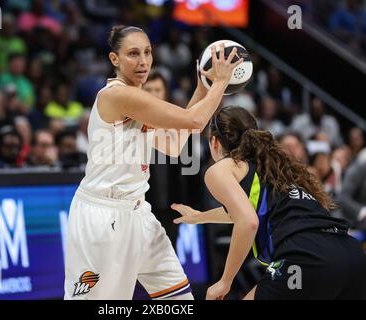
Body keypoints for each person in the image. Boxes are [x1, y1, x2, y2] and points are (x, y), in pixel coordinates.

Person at [63, 25, 242, 300]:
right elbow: (194, 121)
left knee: (179, 299)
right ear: (115, 60)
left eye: (147, 52)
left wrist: (202, 88)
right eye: (133, 54)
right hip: (102, 214)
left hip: (138, 213)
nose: (143, 61)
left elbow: (174, 144)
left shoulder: (137, 99)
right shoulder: (117, 95)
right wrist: (220, 83)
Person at [171, 106, 366, 300]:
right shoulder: (274, 169)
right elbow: (248, 211)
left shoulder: (221, 169)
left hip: (307, 257)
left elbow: (248, 221)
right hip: (350, 254)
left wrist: (225, 281)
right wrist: (200, 217)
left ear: (214, 142)